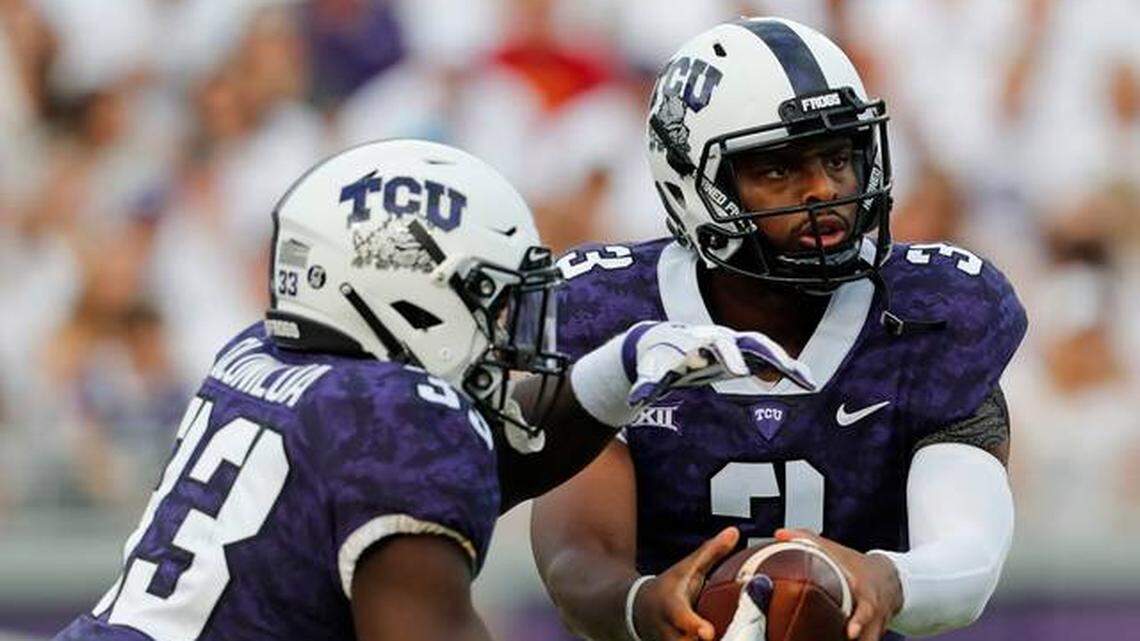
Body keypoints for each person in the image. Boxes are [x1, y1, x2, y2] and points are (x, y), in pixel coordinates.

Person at [52, 139, 816, 641]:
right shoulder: (402, 418)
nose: (510, 326)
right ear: (410, 296)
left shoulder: (259, 354)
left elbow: (477, 464)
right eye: (494, 298)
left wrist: (625, 365)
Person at [531, 17, 1027, 641]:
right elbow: (577, 560)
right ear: (694, 186)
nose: (824, 191)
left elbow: (968, 556)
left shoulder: (930, 313)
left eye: (838, 157)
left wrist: (883, 581)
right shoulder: (611, 315)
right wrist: (646, 605)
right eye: (777, 171)